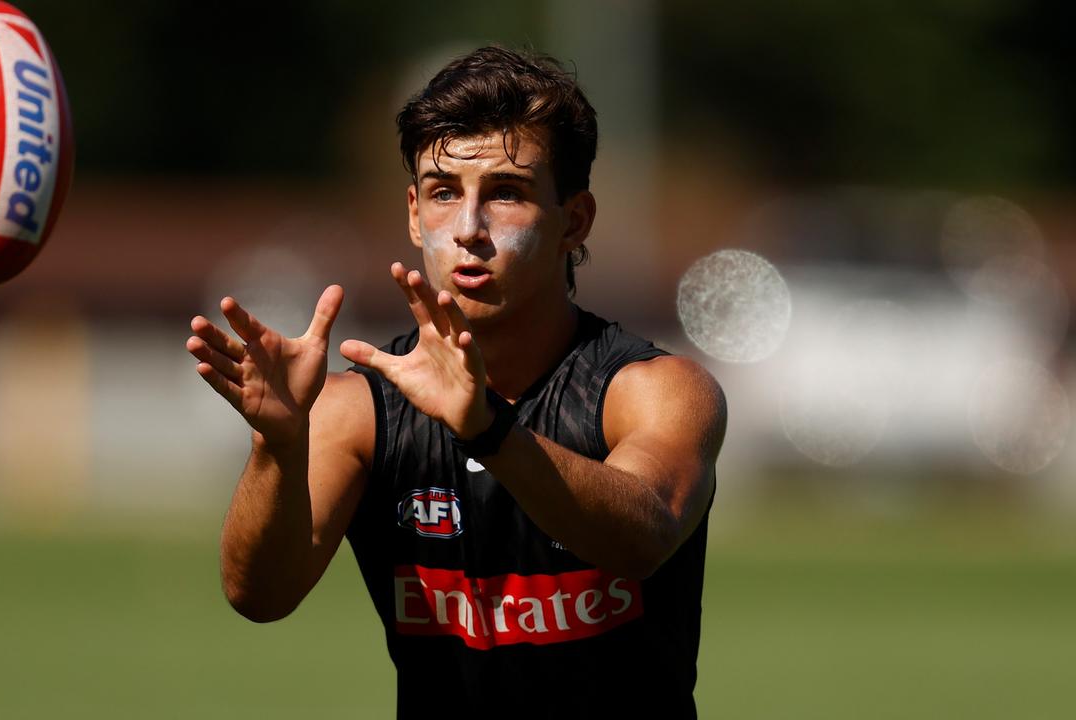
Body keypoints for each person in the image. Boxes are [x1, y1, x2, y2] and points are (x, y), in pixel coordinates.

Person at [186, 46, 726, 718]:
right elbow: (258, 597)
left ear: (575, 221)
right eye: (444, 192)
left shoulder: (653, 388)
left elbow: (642, 538)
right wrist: (278, 443)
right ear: (414, 213)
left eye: (506, 192)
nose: (468, 229)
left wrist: (489, 428)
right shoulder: (361, 410)